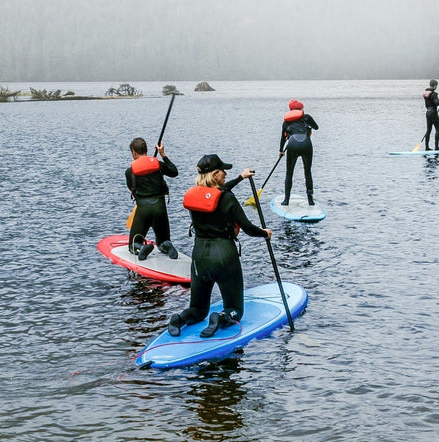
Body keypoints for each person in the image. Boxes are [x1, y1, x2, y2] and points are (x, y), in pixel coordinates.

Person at [166, 155, 271, 339]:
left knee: (198, 309)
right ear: (215, 174)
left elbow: (216, 193)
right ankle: (220, 317)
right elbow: (247, 228)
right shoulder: (228, 199)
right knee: (235, 309)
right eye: (223, 171)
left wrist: (240, 177)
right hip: (224, 257)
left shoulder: (194, 196)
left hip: (199, 257)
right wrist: (264, 233)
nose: (225, 174)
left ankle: (179, 319)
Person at [125, 137, 179, 260]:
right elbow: (174, 172)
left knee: (133, 244)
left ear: (134, 152)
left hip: (143, 210)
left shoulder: (129, 172)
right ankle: (167, 245)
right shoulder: (158, 165)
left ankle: (141, 248)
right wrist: (163, 154)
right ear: (146, 150)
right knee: (163, 241)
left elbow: (132, 189)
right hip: (160, 208)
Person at [280, 99, 319, 206]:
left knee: (289, 173)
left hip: (292, 144)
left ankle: (286, 201)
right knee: (308, 172)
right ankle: (310, 200)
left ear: (291, 109)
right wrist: (309, 128)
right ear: (301, 108)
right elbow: (316, 127)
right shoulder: (307, 117)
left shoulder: (286, 121)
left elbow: (283, 138)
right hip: (306, 144)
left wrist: (281, 151)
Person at [421, 79, 439, 151]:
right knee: (438, 129)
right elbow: (437, 103)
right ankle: (436, 147)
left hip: (428, 112)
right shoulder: (434, 94)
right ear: (434, 86)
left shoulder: (426, 93)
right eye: (436, 86)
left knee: (428, 130)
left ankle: (427, 147)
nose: (436, 87)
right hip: (433, 112)